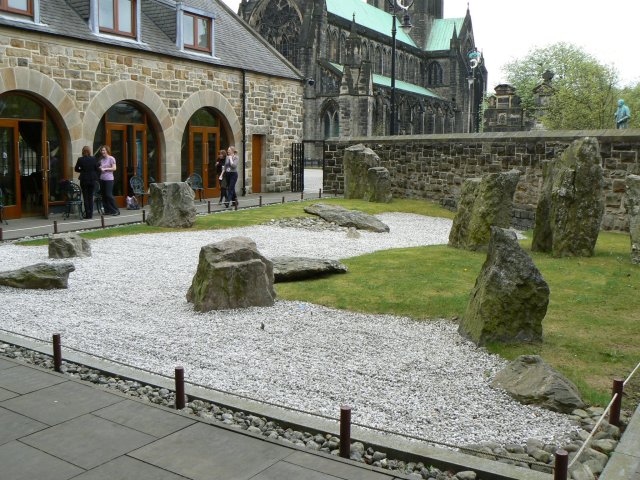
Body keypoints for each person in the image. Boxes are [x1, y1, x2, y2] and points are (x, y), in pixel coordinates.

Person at [74, 146, 100, 219]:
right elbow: (97, 169)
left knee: (85, 197)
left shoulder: (80, 159)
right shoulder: (93, 158)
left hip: (84, 179)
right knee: (90, 197)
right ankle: (91, 214)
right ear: (89, 151)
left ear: (83, 152)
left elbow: (76, 169)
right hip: (92, 179)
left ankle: (87, 214)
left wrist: (82, 170)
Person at [97, 145, 120, 215]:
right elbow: (100, 167)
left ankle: (116, 210)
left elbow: (114, 168)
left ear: (107, 151)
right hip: (102, 179)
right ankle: (107, 210)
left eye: (104, 150)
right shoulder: (101, 159)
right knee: (103, 195)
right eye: (102, 150)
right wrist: (100, 168)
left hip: (109, 179)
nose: (103, 152)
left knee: (109, 195)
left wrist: (106, 169)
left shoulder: (111, 158)